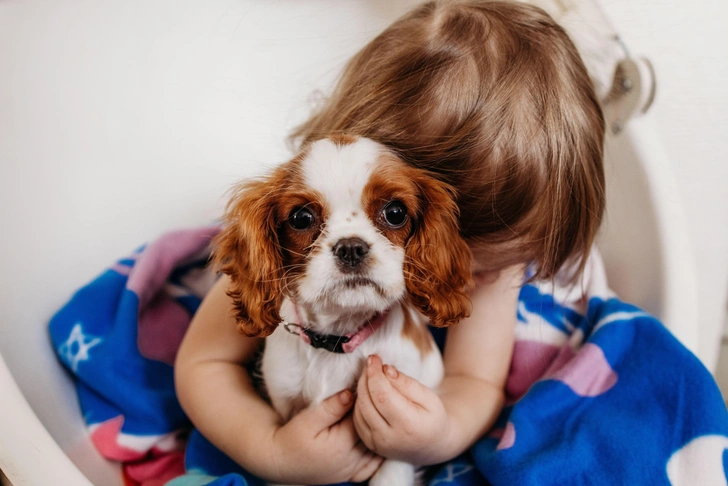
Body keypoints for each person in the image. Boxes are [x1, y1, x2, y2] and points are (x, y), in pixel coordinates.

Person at [174, 1, 605, 484]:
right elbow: (204, 360)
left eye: (393, 217)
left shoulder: (496, 266)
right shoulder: (275, 234)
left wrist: (437, 434)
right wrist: (272, 450)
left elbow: (475, 381)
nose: (457, 272)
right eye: (306, 219)